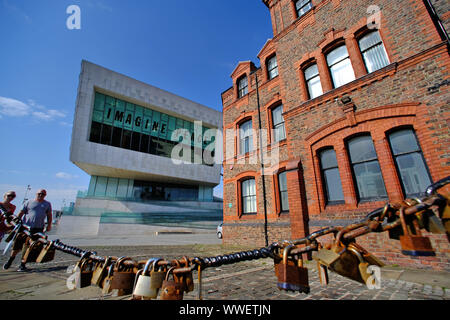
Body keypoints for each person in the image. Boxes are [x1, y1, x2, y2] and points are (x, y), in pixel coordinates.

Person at [3, 189, 52, 271]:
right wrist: (17, 221)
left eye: (43, 194)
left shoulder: (47, 204)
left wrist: (49, 225)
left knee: (30, 247)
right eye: (39, 193)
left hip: (38, 229)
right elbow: (21, 212)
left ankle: (22, 264)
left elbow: (49, 215)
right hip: (25, 227)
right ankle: (10, 260)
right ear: (36, 194)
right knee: (17, 246)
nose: (41, 195)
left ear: (45, 195)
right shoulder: (28, 202)